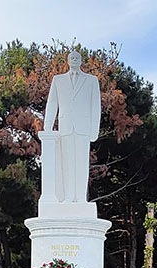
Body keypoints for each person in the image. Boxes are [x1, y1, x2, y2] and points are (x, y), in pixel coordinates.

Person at [41, 49, 101, 203]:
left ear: (81, 61)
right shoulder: (58, 80)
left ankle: (80, 197)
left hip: (83, 128)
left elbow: (95, 106)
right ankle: (68, 197)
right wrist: (48, 126)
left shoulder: (91, 80)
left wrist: (94, 129)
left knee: (81, 163)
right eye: (71, 57)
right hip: (65, 127)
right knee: (67, 163)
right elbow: (53, 103)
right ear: (67, 61)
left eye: (77, 57)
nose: (74, 59)